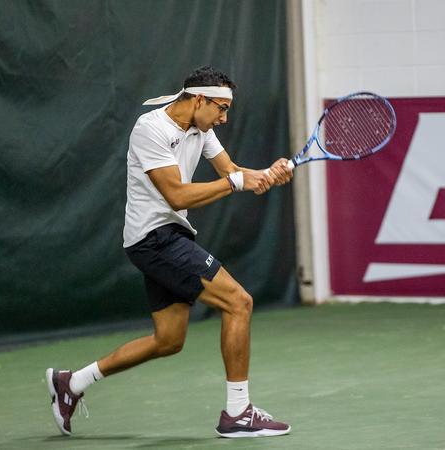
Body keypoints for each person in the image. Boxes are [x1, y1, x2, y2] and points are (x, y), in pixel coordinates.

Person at [45, 66, 293, 438]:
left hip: (169, 236)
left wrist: (266, 173)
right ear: (198, 99)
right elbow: (176, 194)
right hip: (154, 239)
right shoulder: (151, 130)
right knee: (239, 302)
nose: (224, 118)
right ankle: (238, 413)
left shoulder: (201, 126)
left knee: (168, 340)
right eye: (221, 108)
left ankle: (72, 383)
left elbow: (231, 171)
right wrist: (238, 182)